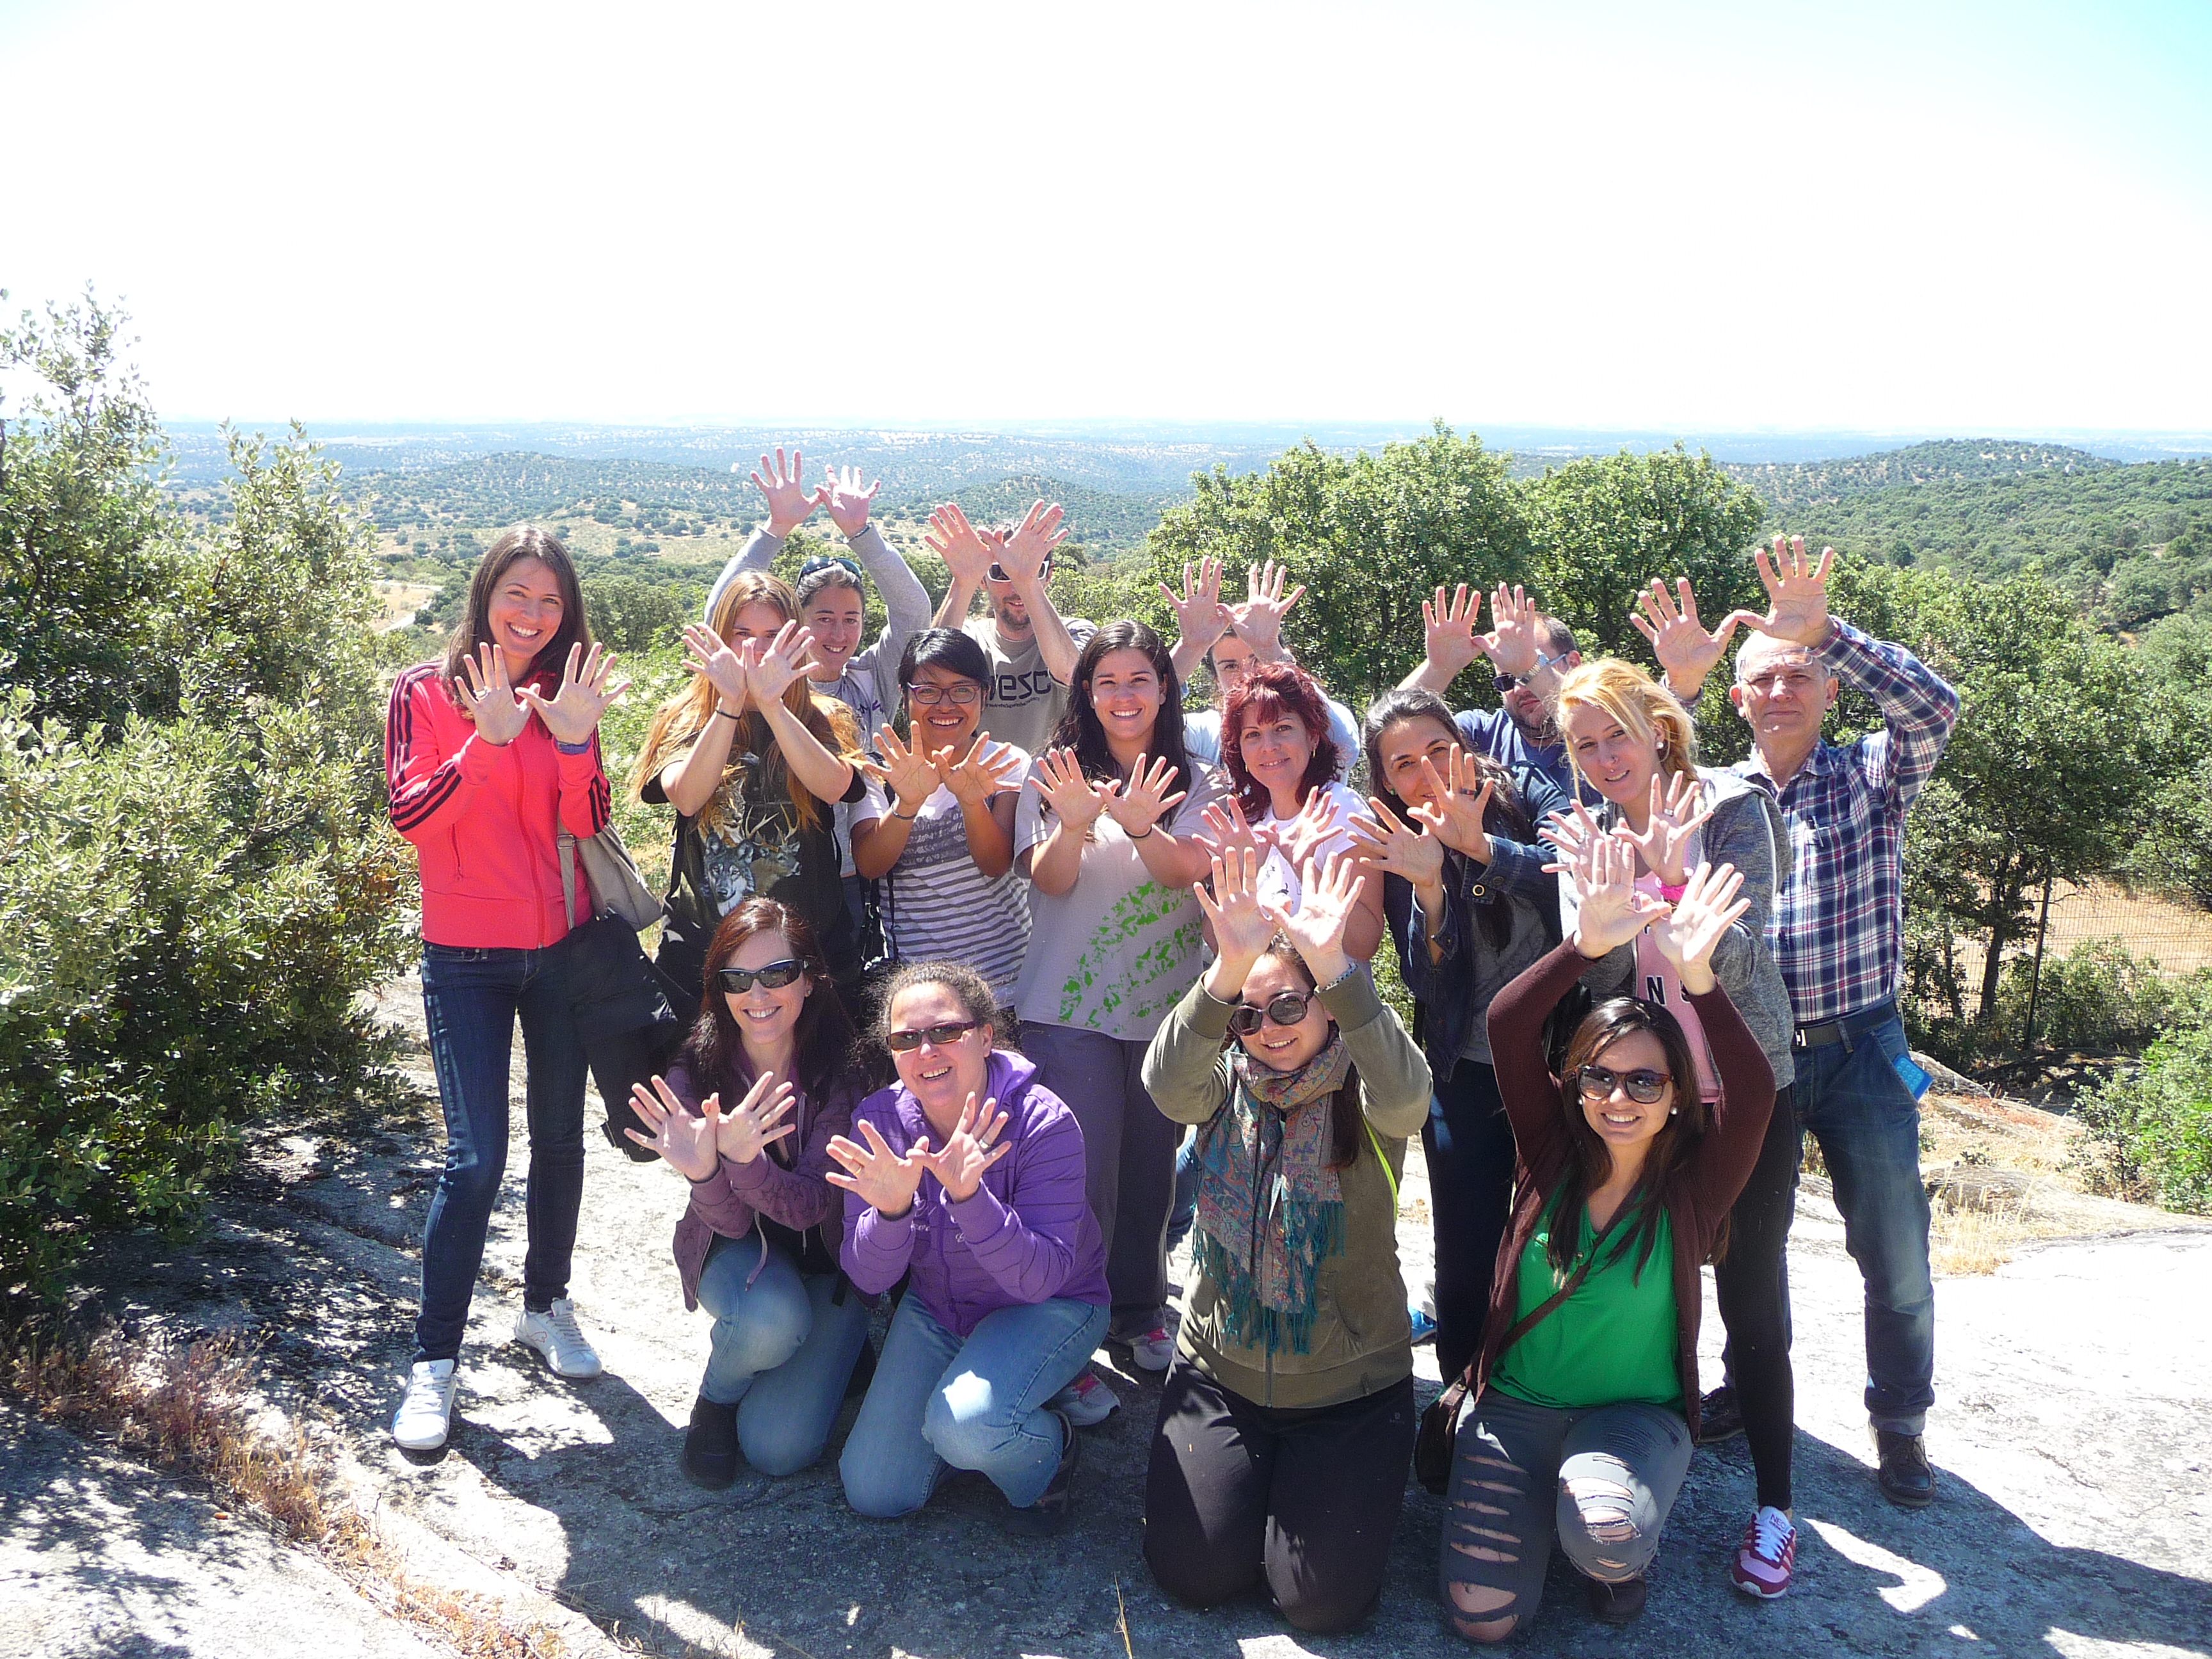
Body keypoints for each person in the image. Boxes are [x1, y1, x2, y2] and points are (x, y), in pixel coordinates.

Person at [1634, 537, 1960, 1509]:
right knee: (1748, 1242)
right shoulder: (1714, 794)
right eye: (1762, 678)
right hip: (1750, 1057)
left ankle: (1900, 1424)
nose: (1780, 690)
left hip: (1861, 1045)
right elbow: (1628, 771)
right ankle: (1748, 1384)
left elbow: (1934, 709)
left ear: (1825, 691)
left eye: (1799, 674)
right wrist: (1676, 684)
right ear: (1737, 701)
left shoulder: (1872, 776)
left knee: (1892, 1243)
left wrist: (1829, 630)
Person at [1442, 847, 1774, 1640]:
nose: (1618, 1098)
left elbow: (1756, 1091)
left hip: (1631, 1417)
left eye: (1645, 1082)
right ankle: (1551, 1509)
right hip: (1516, 1409)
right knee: (1481, 1622)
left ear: (1674, 1097)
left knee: (1605, 1537)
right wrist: (1584, 948)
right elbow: (1508, 1024)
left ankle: (1607, 1555)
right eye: (1599, 1078)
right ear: (1575, 1084)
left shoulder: (1691, 1191)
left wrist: (1698, 978)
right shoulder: (1547, 1156)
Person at [1545, 655, 1801, 1595]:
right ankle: (1639, 1481)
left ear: (1659, 724)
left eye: (1617, 733)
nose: (1606, 756)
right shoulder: (1596, 838)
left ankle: (1776, 1507)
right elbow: (1604, 988)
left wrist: (1668, 875)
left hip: (1744, 1086)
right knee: (1650, 1281)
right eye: (1585, 744)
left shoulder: (1733, 807)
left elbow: (1740, 956)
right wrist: (1605, 923)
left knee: (1750, 1292)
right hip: (1646, 1096)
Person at [1139, 849, 1431, 1632]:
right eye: (1249, 1014)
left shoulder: (1366, 1084)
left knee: (1320, 1605)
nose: (1267, 1030)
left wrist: (1339, 966)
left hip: (1350, 1394)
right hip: (1220, 1374)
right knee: (1195, 1576)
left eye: (1290, 1007)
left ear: (1327, 1006)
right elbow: (1164, 1084)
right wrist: (1226, 970)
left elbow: (1410, 1100)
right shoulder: (1219, 1083)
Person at [383, 526, 627, 1452]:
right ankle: (433, 1364)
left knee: (560, 1142)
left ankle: (545, 1303)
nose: (532, 615)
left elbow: (592, 818)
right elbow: (411, 815)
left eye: (551, 602)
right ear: (485, 594)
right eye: (517, 595)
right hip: (466, 955)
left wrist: (571, 741)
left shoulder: (567, 693)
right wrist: (485, 744)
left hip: (559, 948)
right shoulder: (426, 690)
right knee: (476, 1160)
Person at [1015, 620, 1224, 1412]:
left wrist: (1140, 823)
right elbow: (1051, 882)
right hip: (1064, 1005)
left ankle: (1138, 1310)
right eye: (1108, 682)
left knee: (1149, 1173)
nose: (1124, 695)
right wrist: (1073, 822)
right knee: (1078, 1172)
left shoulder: (1203, 778)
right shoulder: (1057, 772)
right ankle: (1070, 1324)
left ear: (1165, 687)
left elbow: (1187, 874)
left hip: (1166, 1009)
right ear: (1087, 693)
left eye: (1140, 678)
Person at [830, 963, 1109, 1535]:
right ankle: (983, 1417)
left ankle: (1049, 1452)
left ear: (986, 1036)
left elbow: (1040, 1279)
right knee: (875, 1491)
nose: (926, 1050)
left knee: (966, 1428)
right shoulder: (878, 1122)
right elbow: (869, 1276)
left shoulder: (1044, 1123)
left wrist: (968, 1196)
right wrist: (889, 1213)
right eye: (906, 1039)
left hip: (1048, 1308)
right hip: (940, 1309)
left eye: (946, 1032)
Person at [1345, 688, 1568, 1391]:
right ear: (1385, 779)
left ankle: (1546, 1385)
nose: (1427, 772)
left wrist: (1482, 849)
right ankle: (1460, 1396)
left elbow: (1575, 888)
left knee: (1555, 1237)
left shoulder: (1526, 791)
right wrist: (1434, 887)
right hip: (1463, 1067)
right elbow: (1428, 983)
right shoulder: (1397, 843)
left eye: (1438, 749)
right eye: (1403, 763)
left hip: (1560, 1063)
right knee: (1465, 1247)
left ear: (1465, 747)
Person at [622, 899, 872, 1487]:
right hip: (738, 1257)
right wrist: (707, 1173)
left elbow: (815, 1202)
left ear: (810, 981)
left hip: (827, 1267)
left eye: (778, 974)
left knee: (777, 1451)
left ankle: (835, 1347)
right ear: (719, 990)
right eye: (737, 979)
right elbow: (731, 1227)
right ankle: (716, 1399)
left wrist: (743, 1160)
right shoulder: (696, 1073)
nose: (758, 995)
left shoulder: (844, 1070)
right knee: (773, 1322)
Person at [705, 450, 935, 937]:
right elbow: (718, 618)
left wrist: (862, 534)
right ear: (795, 623)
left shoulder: (872, 674)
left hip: (865, 863)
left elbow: (915, 613)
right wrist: (775, 529)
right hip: (781, 867)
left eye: (851, 618)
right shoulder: (769, 685)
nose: (838, 633)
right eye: (823, 618)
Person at [630, 572, 867, 1000]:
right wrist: (731, 704)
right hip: (705, 950)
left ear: (795, 642)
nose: (755, 650)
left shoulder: (825, 716)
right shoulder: (684, 717)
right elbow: (687, 797)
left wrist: (774, 705)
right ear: (721, 638)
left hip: (809, 949)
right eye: (742, 634)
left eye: (772, 636)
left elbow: (834, 787)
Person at [850, 629, 1032, 1000]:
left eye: (962, 690)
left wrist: (970, 802)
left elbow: (997, 863)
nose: (946, 705)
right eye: (928, 691)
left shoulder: (1007, 763)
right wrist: (908, 803)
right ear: (904, 698)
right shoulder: (880, 770)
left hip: (1011, 984)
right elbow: (869, 864)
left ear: (985, 695)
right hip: (922, 995)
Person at [1213, 660, 1384, 959]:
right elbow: (1214, 940)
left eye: (1283, 728)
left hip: (1331, 1000)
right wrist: (1238, 876)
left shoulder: (1341, 810)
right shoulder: (1245, 818)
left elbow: (1364, 943)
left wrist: (1304, 865)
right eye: (1253, 734)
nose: (1268, 746)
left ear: (1313, 736)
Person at [926, 498, 1096, 756]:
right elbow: (927, 671)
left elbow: (1073, 673)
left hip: (1055, 789)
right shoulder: (971, 639)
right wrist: (963, 582)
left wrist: (1027, 580)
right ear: (984, 580)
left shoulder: (1078, 633)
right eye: (1001, 573)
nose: (1016, 587)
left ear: (1049, 575)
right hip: (976, 789)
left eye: (1034, 570)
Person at [1160, 557, 1362, 773]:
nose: (1247, 674)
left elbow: (1345, 749)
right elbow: (1144, 731)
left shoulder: (1328, 717)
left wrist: (1268, 647)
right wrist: (1190, 647)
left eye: (1257, 660)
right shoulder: (1205, 734)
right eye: (1230, 667)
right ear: (1217, 680)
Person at [1400, 582, 1583, 797]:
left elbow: (1599, 714)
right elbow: (1389, 734)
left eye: (1537, 663)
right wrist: (1438, 670)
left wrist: (1531, 668)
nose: (1520, 686)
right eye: (1507, 679)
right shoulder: (1480, 735)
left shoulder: (1610, 737)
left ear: (1573, 663)